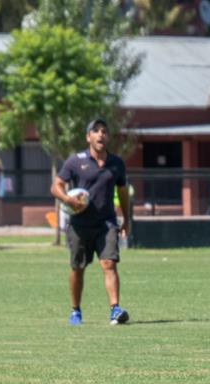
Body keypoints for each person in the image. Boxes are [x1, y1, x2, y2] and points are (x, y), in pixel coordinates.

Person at [51, 118, 132, 326]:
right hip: (80, 225)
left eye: (104, 131)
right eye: (96, 131)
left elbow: (123, 192)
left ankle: (115, 309)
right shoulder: (75, 161)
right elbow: (56, 186)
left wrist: (126, 218)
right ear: (88, 137)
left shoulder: (116, 163)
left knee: (109, 263)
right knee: (78, 268)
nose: (100, 134)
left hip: (107, 223)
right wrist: (68, 199)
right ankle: (75, 310)